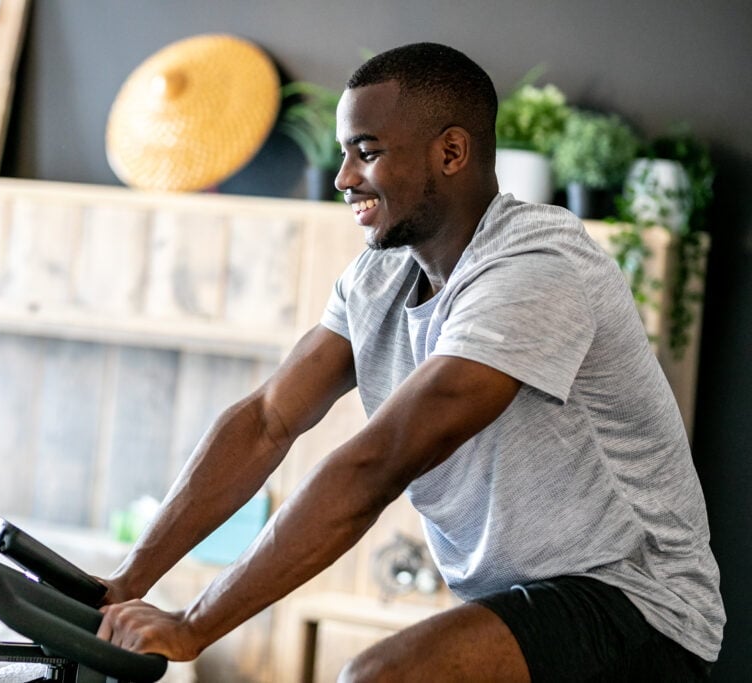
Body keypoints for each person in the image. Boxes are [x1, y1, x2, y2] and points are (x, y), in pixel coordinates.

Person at [96, 42, 724, 681]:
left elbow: (380, 461)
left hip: (641, 608)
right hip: (520, 605)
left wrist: (195, 625)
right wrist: (127, 582)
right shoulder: (380, 275)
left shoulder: (535, 271)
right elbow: (267, 420)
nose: (343, 177)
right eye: (344, 153)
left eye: (366, 152)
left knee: (378, 677)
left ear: (451, 153)